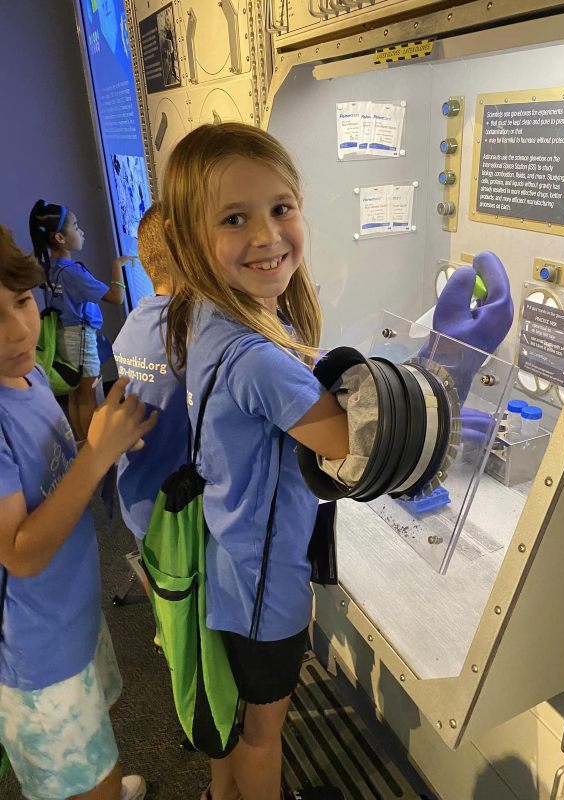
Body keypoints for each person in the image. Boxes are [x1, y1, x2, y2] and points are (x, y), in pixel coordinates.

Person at [161, 122, 352, 800]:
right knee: (263, 736)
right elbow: (348, 444)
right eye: (236, 219)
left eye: (281, 208)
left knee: (230, 721)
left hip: (229, 562)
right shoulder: (260, 358)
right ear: (190, 238)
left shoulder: (210, 314)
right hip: (267, 588)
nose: (269, 236)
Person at [0, 224, 156, 800]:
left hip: (69, 612)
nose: (19, 330)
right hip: (35, 650)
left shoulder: (30, 374)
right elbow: (20, 552)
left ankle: (104, 782)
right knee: (84, 781)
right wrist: (97, 454)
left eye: (20, 303)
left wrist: (103, 440)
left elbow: (60, 473)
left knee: (96, 750)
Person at [113, 203, 186, 597]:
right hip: (179, 512)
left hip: (138, 495)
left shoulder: (135, 323)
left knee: (167, 597)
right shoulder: (192, 333)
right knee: (187, 609)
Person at [29, 199, 132, 440]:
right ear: (60, 238)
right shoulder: (73, 271)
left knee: (76, 394)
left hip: (65, 336)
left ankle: (81, 441)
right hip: (81, 339)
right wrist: (118, 266)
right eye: (75, 227)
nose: (81, 231)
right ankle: (93, 448)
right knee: (88, 396)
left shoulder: (49, 267)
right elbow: (115, 297)